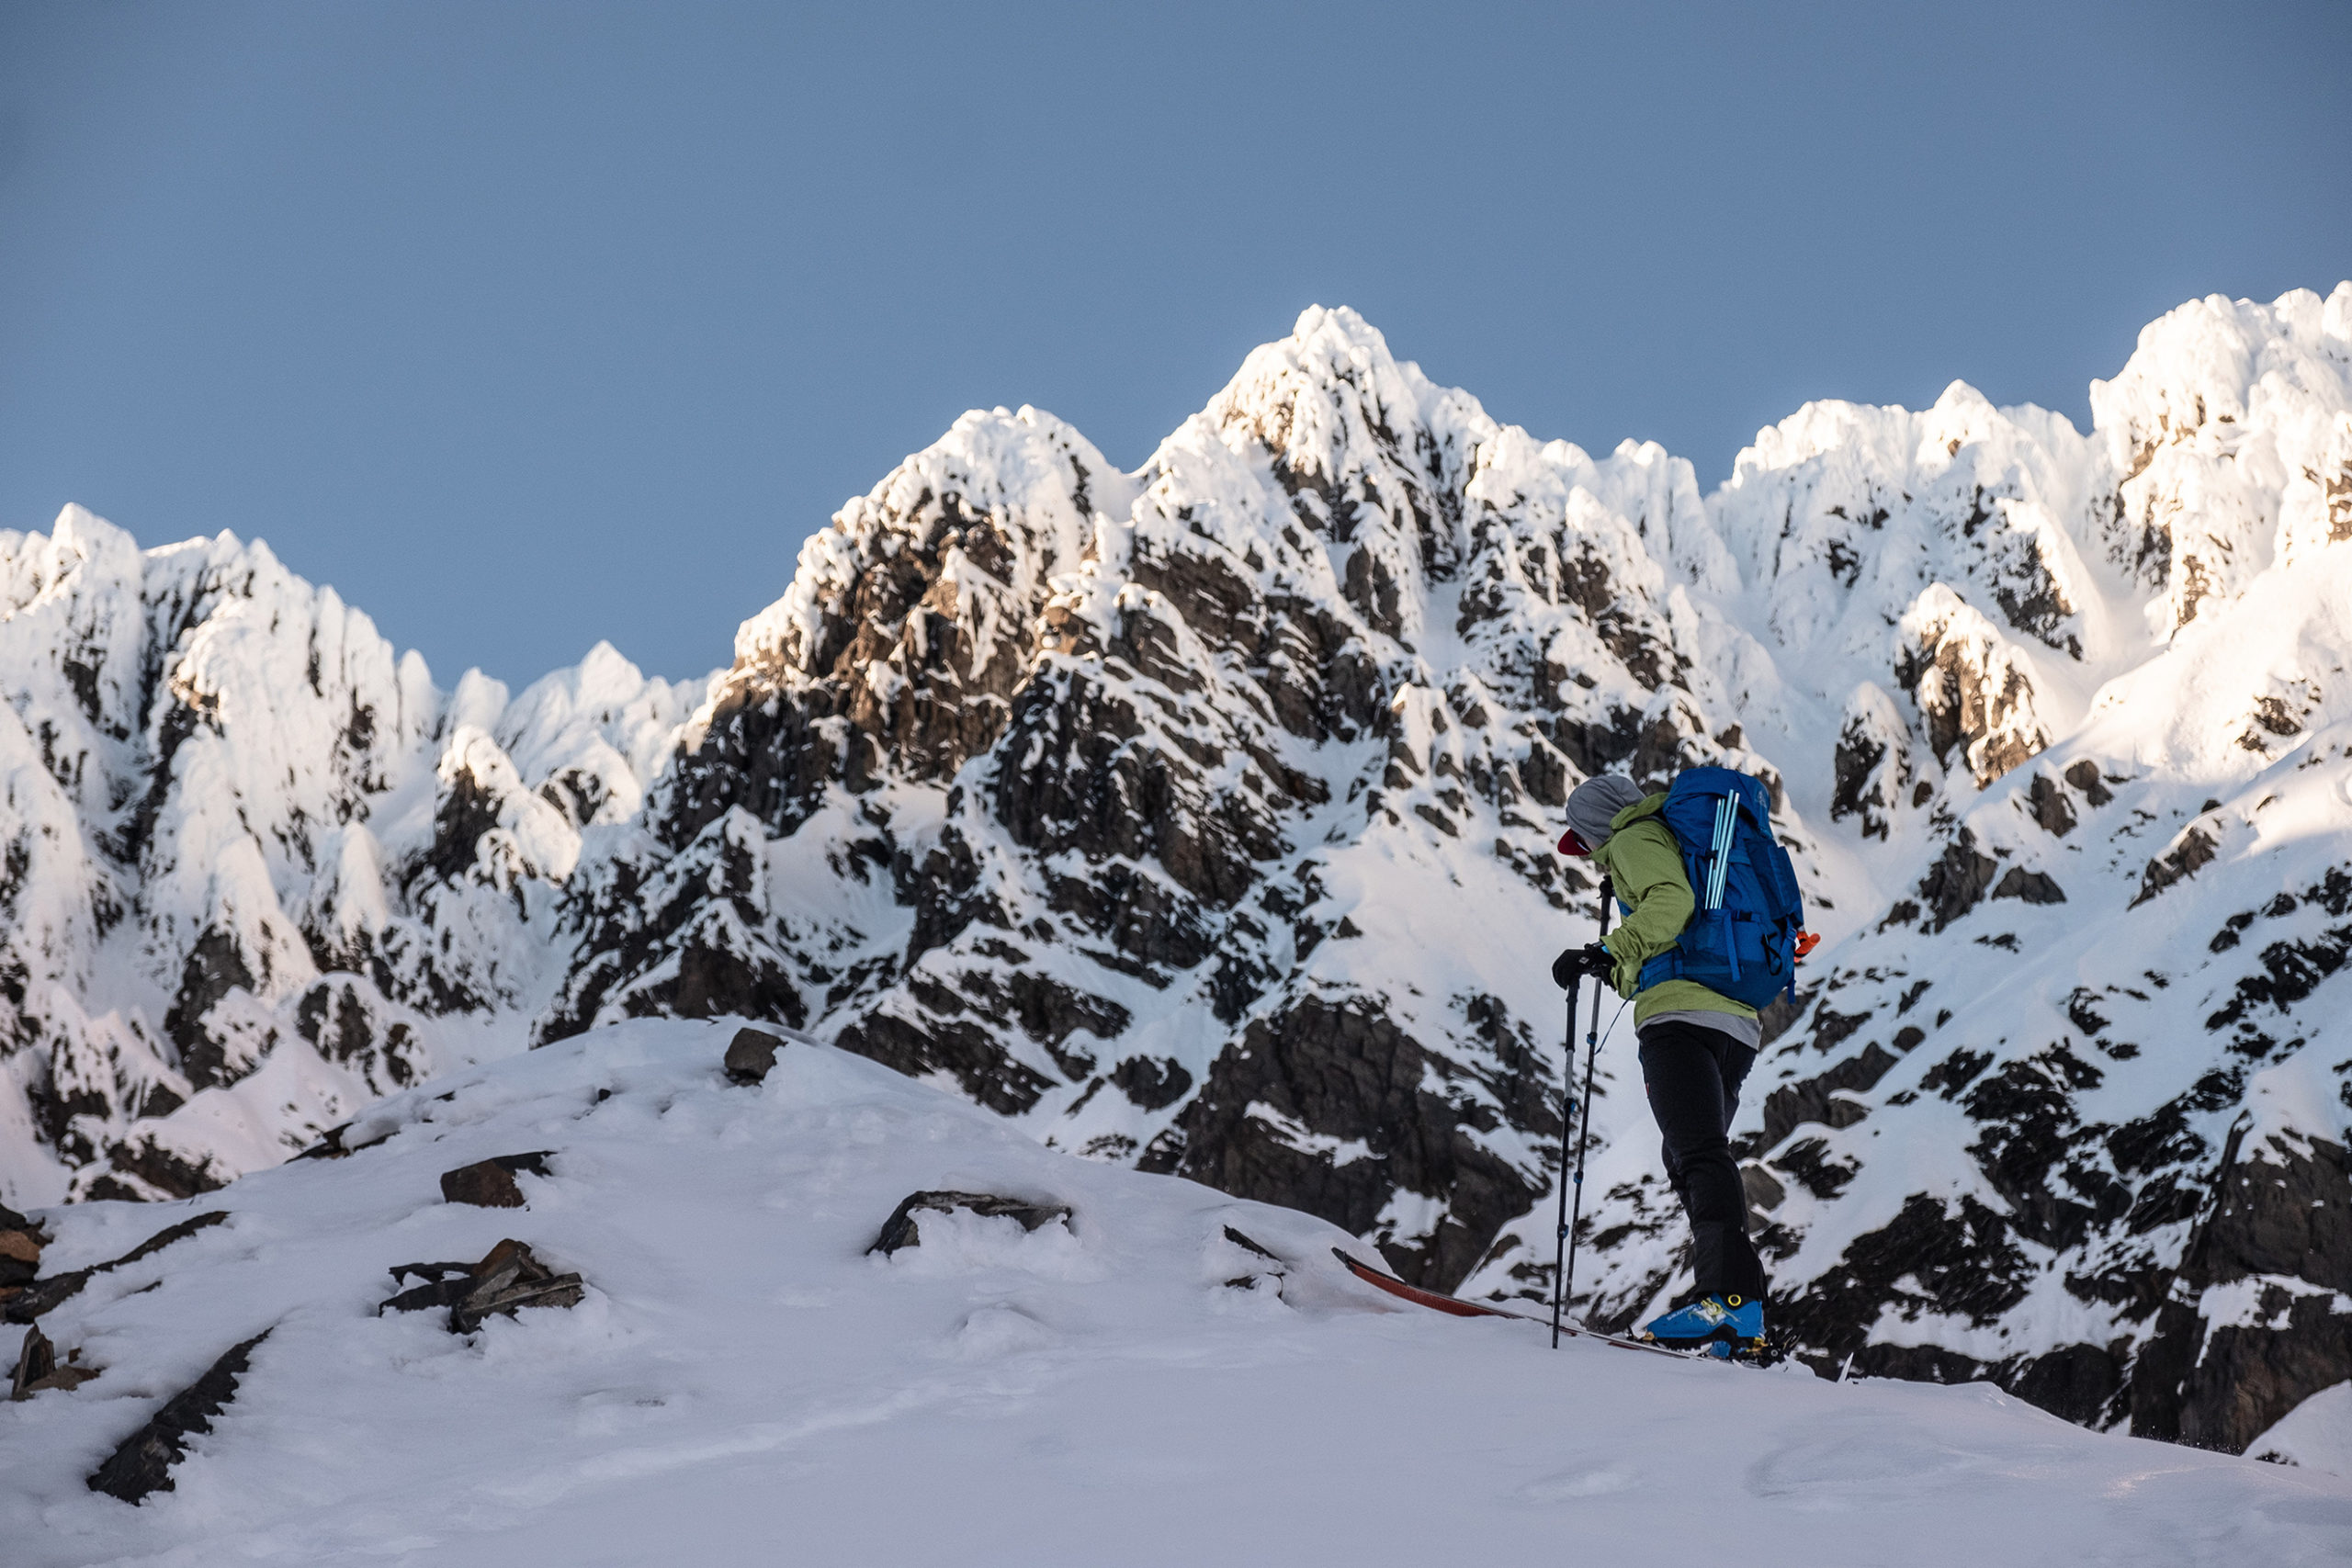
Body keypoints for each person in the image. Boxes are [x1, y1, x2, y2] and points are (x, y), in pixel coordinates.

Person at [1552, 773, 1768, 1357]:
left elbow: (1672, 902)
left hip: (1681, 1021)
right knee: (1691, 1152)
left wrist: (1606, 950)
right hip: (1733, 1021)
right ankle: (1742, 1320)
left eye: (1585, 843)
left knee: (1697, 1152)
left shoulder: (1632, 839)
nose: (1592, 858)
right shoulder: (1668, 839)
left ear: (1597, 826)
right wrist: (1617, 966)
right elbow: (1675, 935)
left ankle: (1725, 1302)